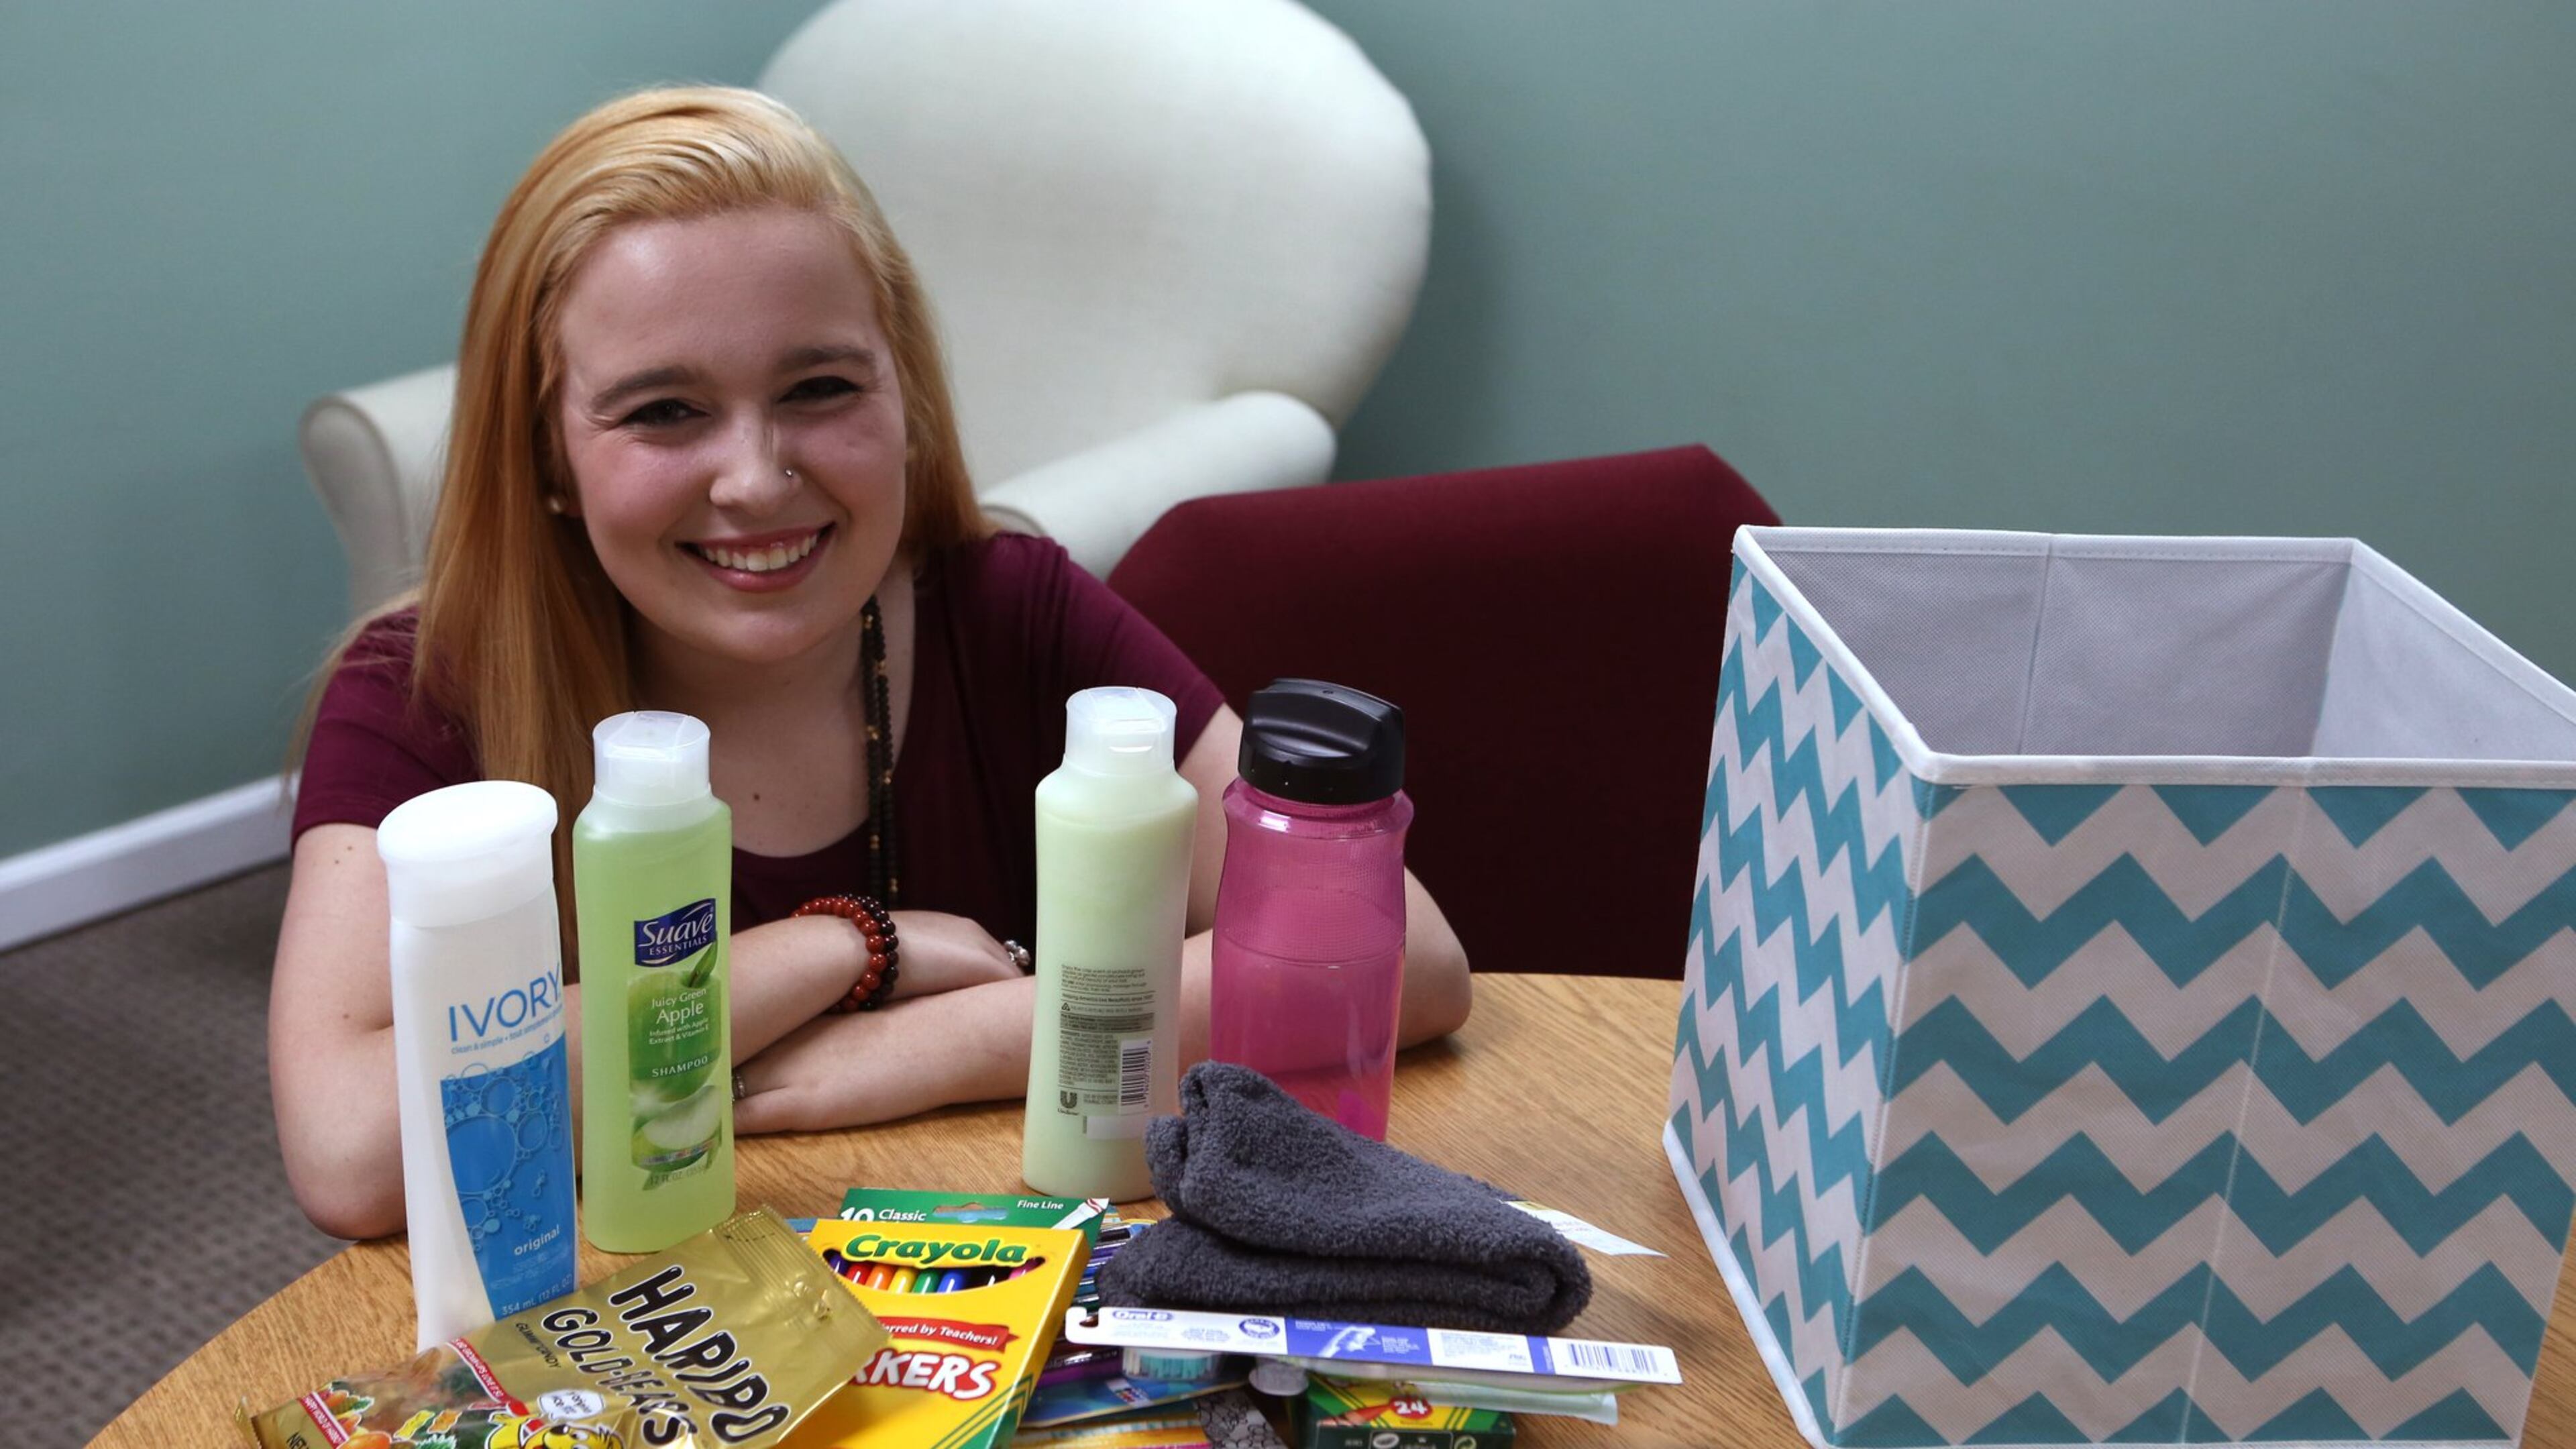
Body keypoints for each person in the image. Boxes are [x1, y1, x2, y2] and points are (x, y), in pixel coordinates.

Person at [271, 87, 1472, 1241]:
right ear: (546, 455)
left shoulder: (1013, 610)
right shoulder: (418, 694)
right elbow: (352, 1145)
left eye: (820, 387)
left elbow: (1402, 960)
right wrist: (840, 949)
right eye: (663, 412)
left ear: (906, 399)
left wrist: (922, 1044)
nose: (754, 477)